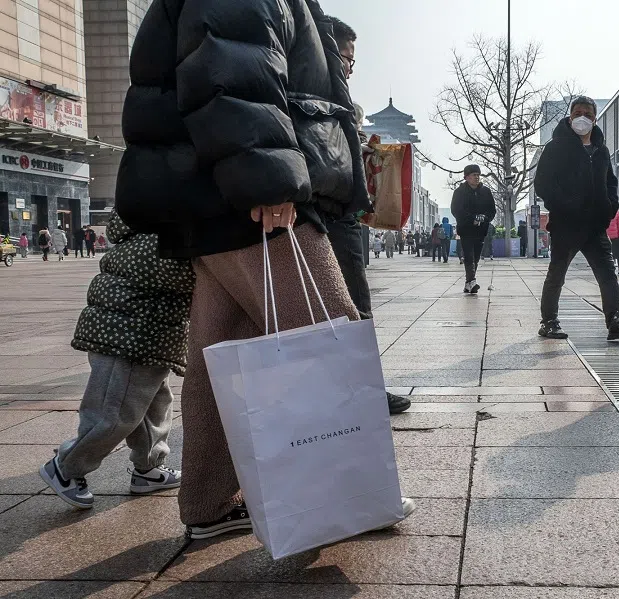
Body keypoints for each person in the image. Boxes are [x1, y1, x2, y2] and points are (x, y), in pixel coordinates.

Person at [115, 0, 415, 540]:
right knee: (325, 326)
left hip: (212, 193)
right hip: (251, 191)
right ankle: (351, 491)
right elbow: (233, 66)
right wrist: (267, 177)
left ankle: (208, 501)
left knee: (217, 350)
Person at [39, 211, 193, 510]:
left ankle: (148, 469)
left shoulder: (147, 227)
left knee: (152, 407)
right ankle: (66, 467)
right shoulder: (156, 235)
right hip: (128, 336)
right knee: (114, 413)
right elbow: (180, 272)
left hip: (147, 334)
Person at [322, 17, 410, 415]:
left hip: (328, 214)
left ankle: (344, 389)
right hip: (329, 215)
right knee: (353, 306)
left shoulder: (316, 91)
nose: (350, 68)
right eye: (347, 58)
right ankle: (364, 391)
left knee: (332, 307)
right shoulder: (318, 92)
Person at [534, 96, 619, 341]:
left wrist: (609, 207)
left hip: (595, 226)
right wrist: (564, 206)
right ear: (570, 116)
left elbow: (611, 183)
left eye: (588, 115)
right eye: (578, 113)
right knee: (557, 274)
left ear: (595, 119)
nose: (583, 118)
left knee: (607, 274)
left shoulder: (601, 150)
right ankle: (549, 321)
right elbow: (542, 184)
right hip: (566, 225)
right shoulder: (555, 147)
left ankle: (615, 320)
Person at [451, 165, 496, 294]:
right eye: (473, 175)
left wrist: (485, 218)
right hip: (466, 229)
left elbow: (492, 210)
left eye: (478, 175)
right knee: (469, 256)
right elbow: (456, 210)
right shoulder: (459, 192)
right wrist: (472, 218)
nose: (476, 177)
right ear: (466, 177)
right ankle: (472, 282)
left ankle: (469, 283)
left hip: (481, 230)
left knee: (476, 257)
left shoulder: (486, 192)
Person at [607, 209, 619, 275]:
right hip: (608, 236)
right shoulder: (616, 212)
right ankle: (611, 268)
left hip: (614, 237)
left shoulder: (617, 212)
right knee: (610, 254)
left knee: (617, 254)